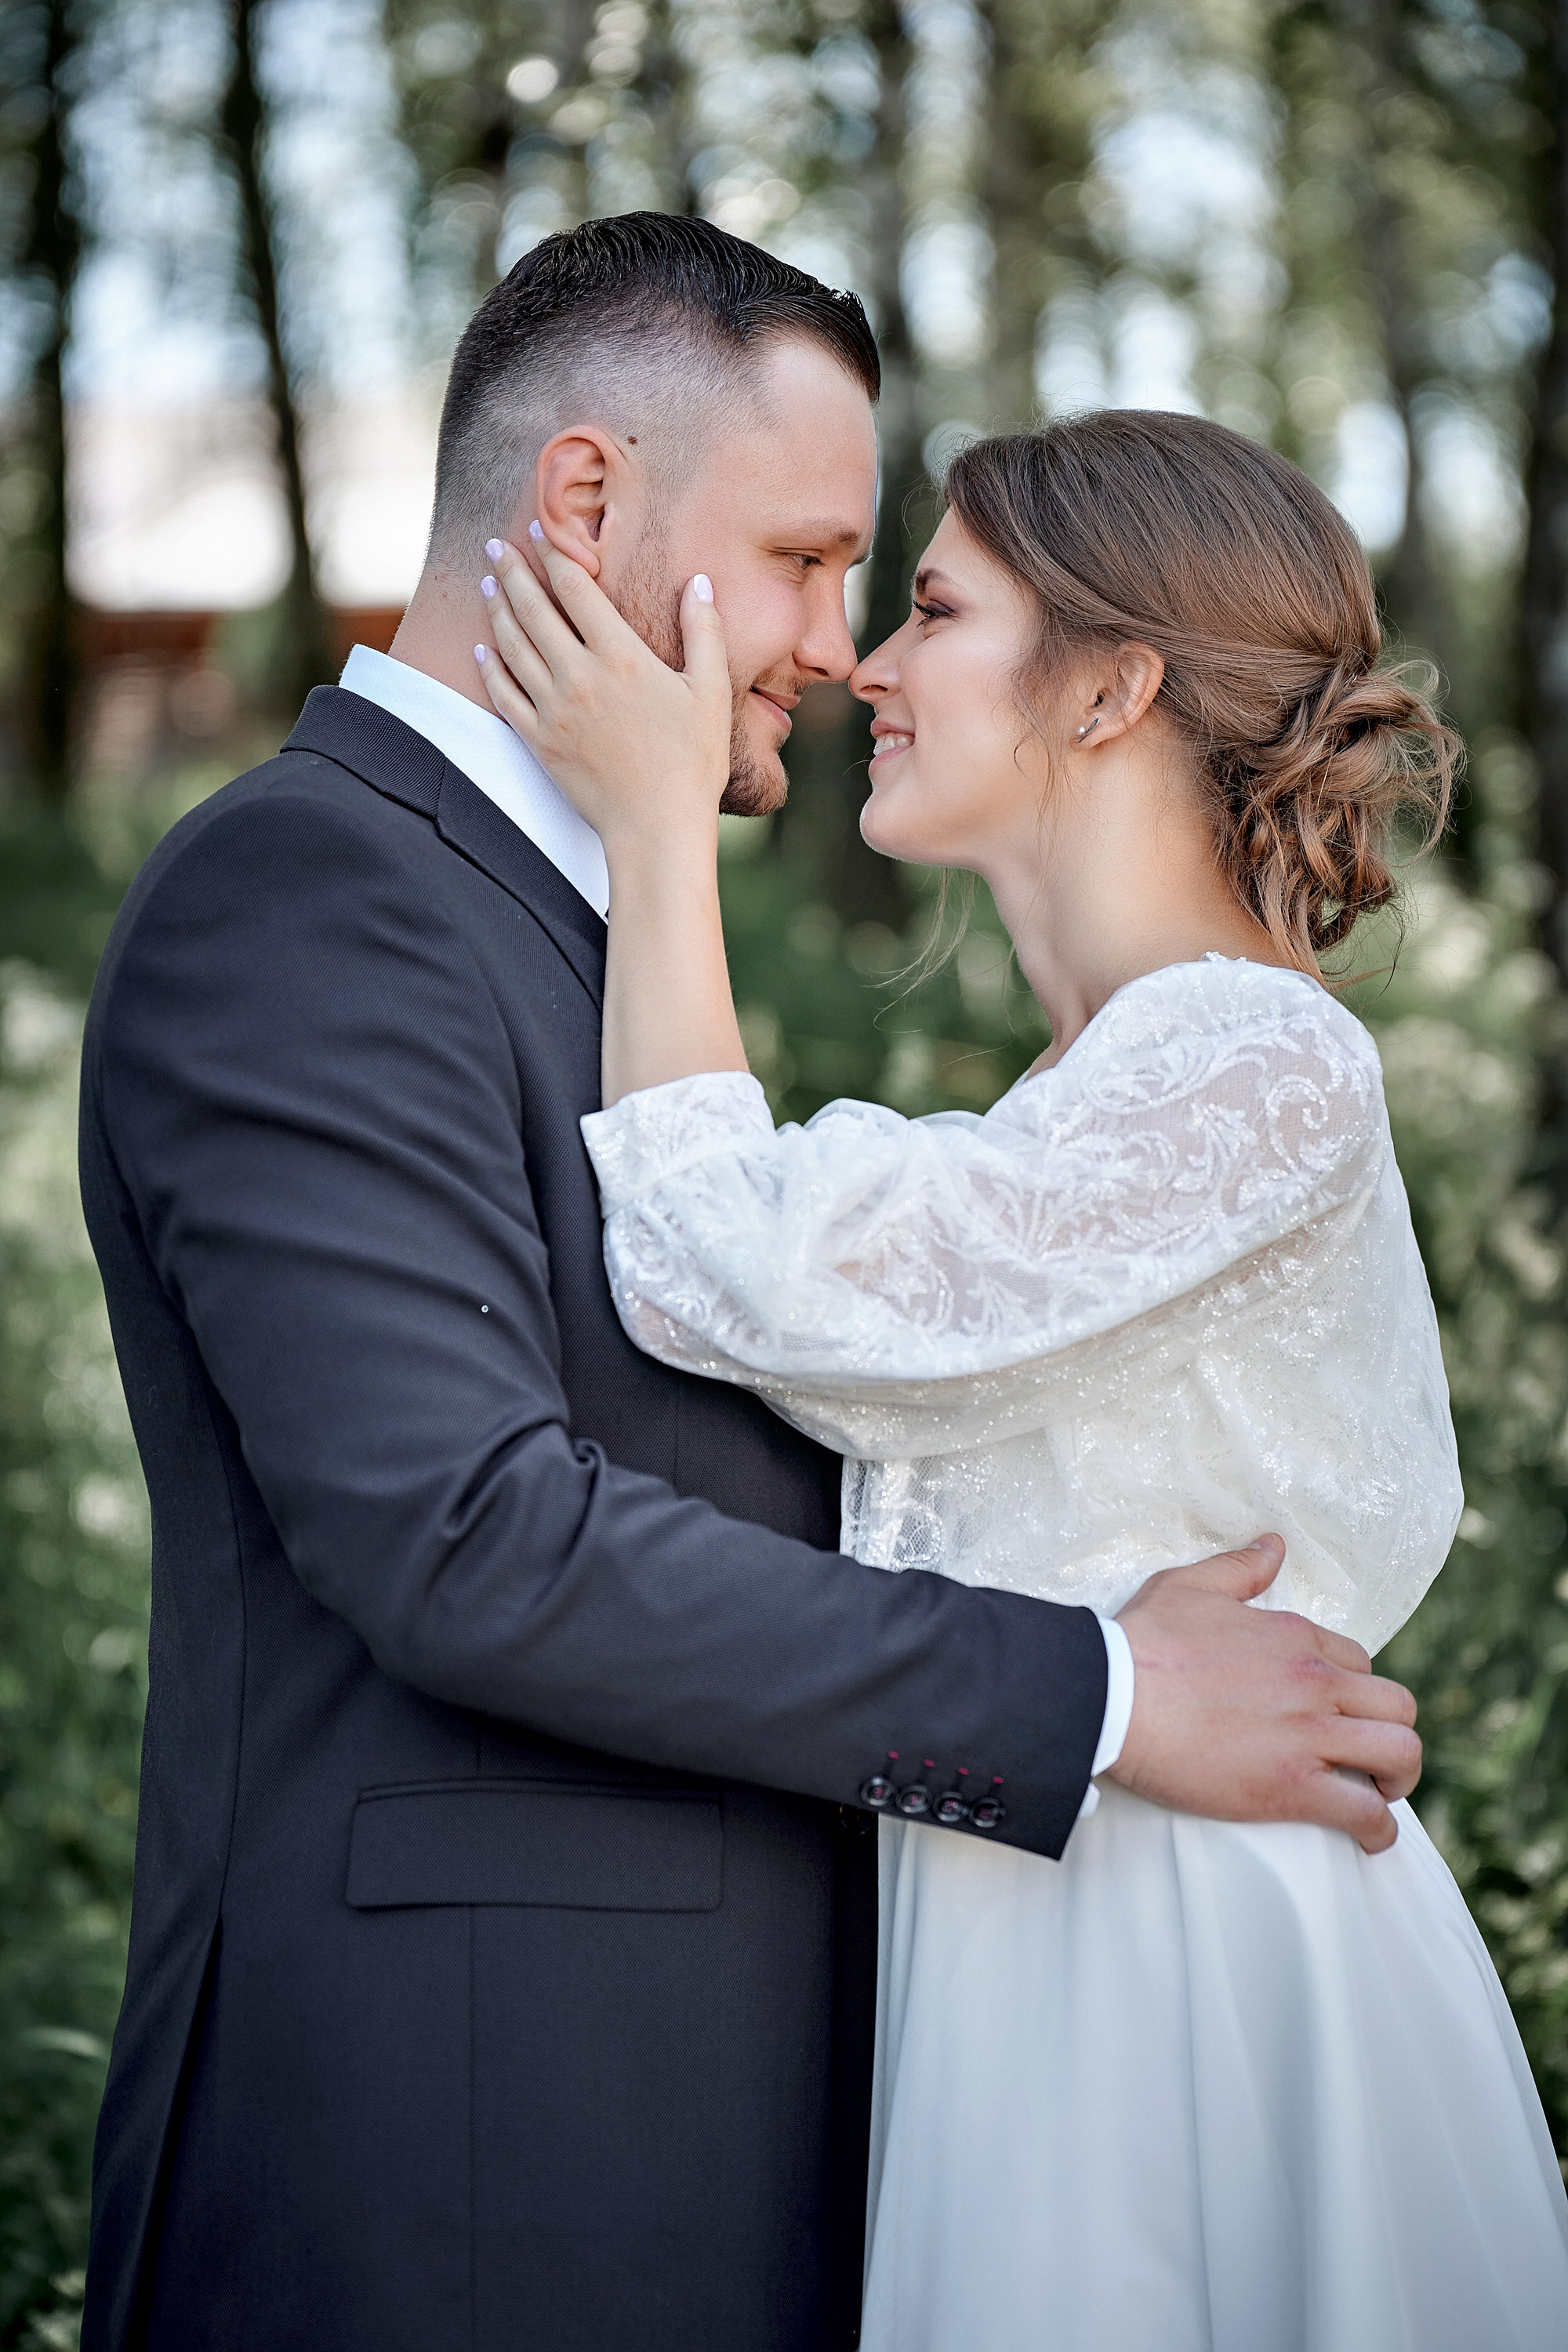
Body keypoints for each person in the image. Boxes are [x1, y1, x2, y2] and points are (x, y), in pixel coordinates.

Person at [80, 218, 1425, 2352]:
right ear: (584, 499)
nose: (834, 644)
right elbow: (469, 1534)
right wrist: (1098, 1694)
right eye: (806, 561)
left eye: (889, 590)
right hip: (469, 2171)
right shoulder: (318, 886)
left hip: (823, 2124)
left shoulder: (596, 942)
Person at [476, 405, 1568, 2348]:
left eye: (930, 607)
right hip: (1022, 1930)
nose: (867, 668)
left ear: (1109, 688)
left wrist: (653, 832)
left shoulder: (1256, 1064)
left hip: (1192, 1958)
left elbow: (735, 1266)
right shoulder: (1098, 1096)